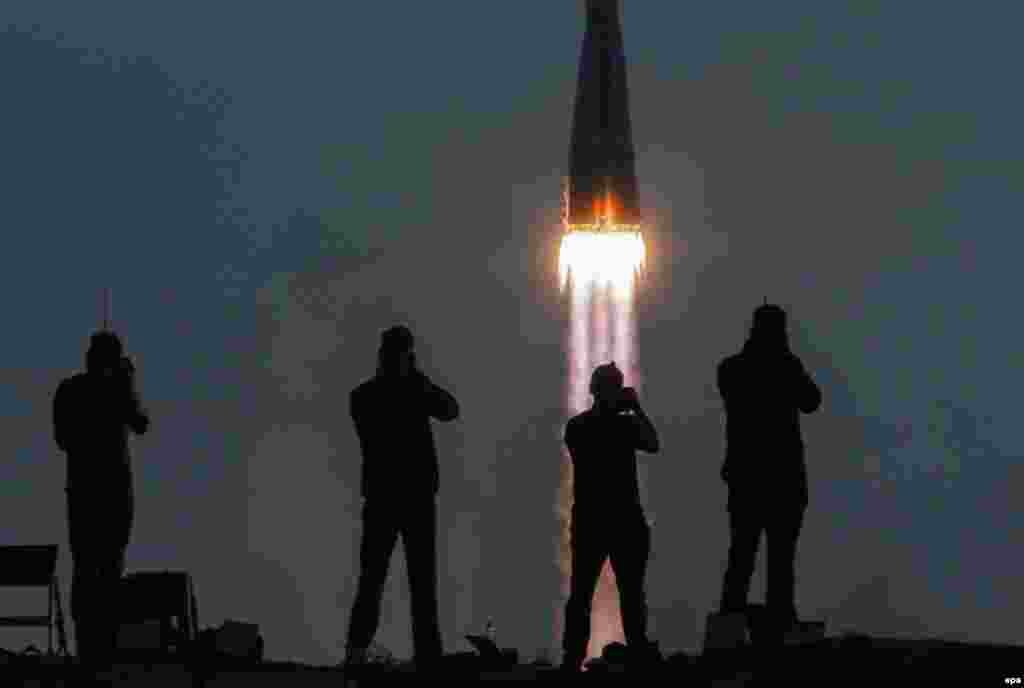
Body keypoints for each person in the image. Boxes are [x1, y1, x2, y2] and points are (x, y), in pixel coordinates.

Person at [344, 326, 459, 672]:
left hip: (391, 498)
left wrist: (415, 384)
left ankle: (358, 654)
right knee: (412, 583)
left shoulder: (363, 395)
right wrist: (418, 381)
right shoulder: (400, 392)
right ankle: (426, 658)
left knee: (378, 580)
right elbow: (449, 409)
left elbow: (451, 410)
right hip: (406, 498)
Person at [716, 304, 821, 644]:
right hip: (784, 477)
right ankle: (779, 625)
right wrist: (788, 362)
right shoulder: (786, 367)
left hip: (745, 477)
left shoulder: (731, 369)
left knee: (741, 553)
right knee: (781, 558)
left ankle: (730, 624)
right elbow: (812, 400)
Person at [52, 330, 149, 672]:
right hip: (112, 493)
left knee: (88, 569)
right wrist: (126, 386)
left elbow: (61, 438)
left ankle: (89, 649)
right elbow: (141, 423)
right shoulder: (116, 391)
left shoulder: (69, 390)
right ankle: (103, 649)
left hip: (83, 493)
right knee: (108, 569)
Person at [560, 362, 661, 673]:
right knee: (626, 594)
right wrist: (636, 410)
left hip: (594, 522)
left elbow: (652, 444)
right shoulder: (605, 427)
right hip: (621, 522)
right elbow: (652, 442)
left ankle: (572, 660)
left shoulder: (578, 426)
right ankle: (637, 653)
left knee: (585, 595)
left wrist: (631, 411)